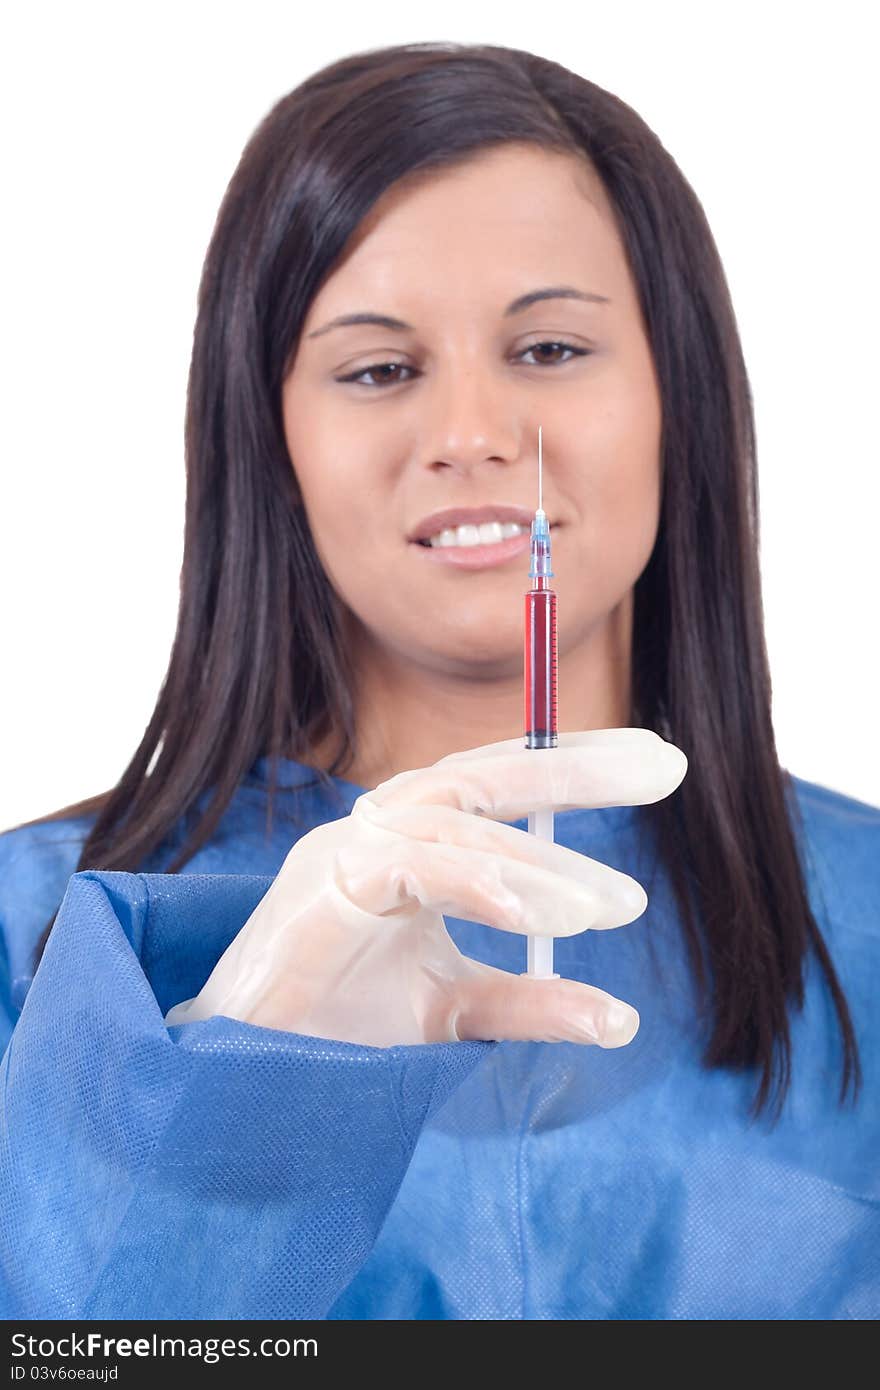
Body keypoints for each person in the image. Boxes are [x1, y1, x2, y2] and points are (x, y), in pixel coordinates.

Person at [1, 40, 877, 1321]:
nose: (472, 434)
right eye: (378, 368)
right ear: (270, 435)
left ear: (676, 393)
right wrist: (234, 1090)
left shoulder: (862, 913)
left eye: (550, 349)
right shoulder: (43, 940)